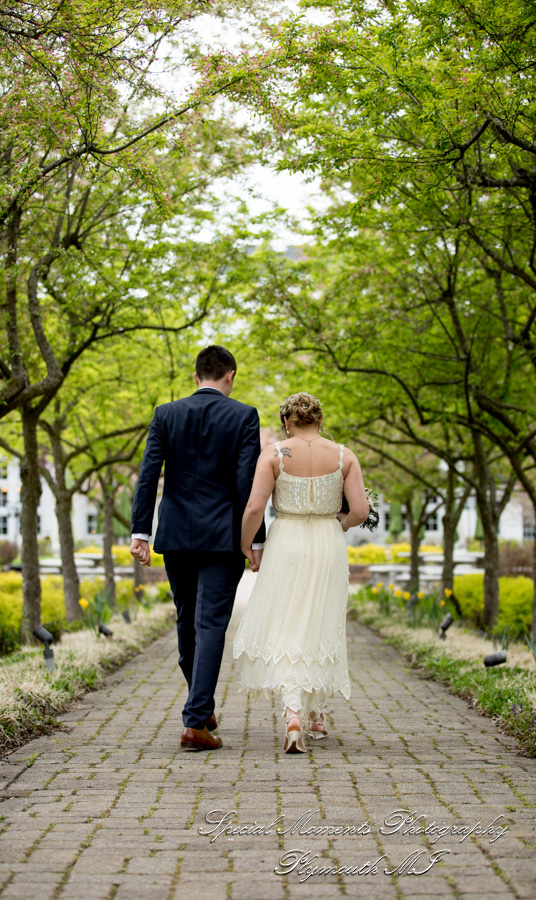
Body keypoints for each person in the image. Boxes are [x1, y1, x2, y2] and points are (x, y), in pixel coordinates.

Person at [130, 345, 265, 752]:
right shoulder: (243, 415)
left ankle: (200, 710)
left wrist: (141, 532)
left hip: (175, 534)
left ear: (196, 377)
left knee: (187, 620)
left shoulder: (165, 414)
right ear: (231, 375)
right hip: (223, 537)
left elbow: (148, 474)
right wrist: (254, 538)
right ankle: (196, 721)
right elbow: (247, 483)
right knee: (210, 625)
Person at [233, 392, 370, 753]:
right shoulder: (344, 456)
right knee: (322, 624)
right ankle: (316, 715)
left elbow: (253, 508)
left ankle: (295, 712)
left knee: (287, 625)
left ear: (287, 423)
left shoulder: (275, 454)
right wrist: (339, 522)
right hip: (327, 543)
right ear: (319, 421)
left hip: (287, 542)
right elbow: (360, 509)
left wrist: (247, 545)